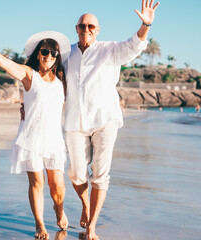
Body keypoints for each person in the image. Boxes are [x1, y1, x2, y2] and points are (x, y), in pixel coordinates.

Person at [64, 1, 160, 239]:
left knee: (100, 175)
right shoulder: (66, 54)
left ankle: (92, 226)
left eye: (91, 26)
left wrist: (145, 24)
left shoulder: (110, 50)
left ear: (98, 30)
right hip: (74, 122)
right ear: (76, 29)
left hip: (105, 120)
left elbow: (135, 44)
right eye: (82, 25)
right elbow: (44, 74)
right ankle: (86, 206)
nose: (86, 29)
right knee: (76, 174)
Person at [0, 25, 70, 239]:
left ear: (57, 56)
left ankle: (59, 209)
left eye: (53, 52)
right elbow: (4, 63)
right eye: (44, 51)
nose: (48, 56)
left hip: (54, 139)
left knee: (57, 185)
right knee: (37, 183)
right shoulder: (29, 74)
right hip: (32, 137)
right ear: (37, 54)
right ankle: (40, 225)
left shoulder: (62, 79)